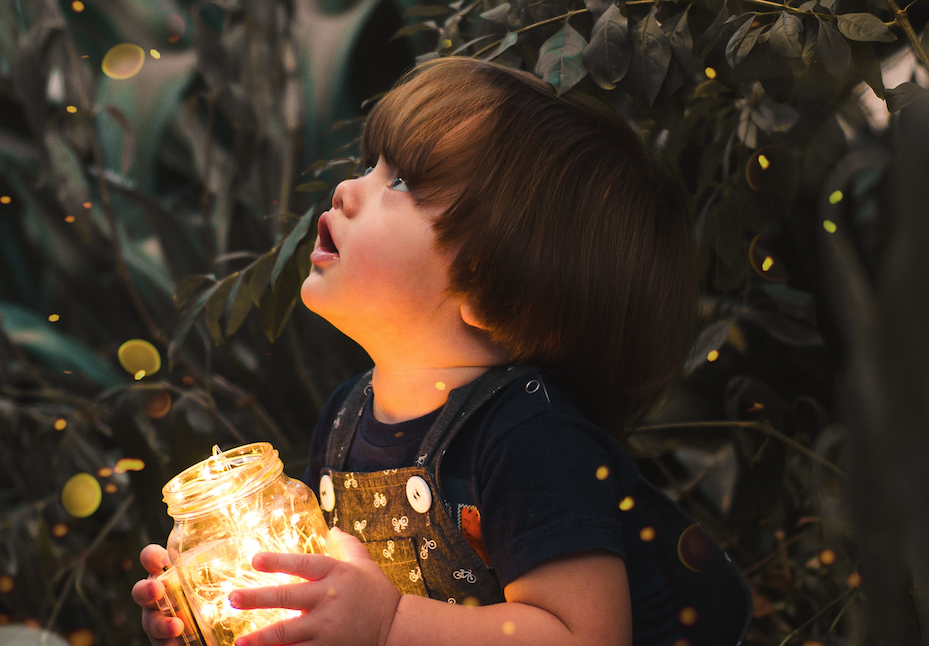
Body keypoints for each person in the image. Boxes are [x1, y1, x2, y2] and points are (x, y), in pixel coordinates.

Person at [132, 56, 699, 646]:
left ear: (491, 292)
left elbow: (585, 637)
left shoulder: (533, 438)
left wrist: (389, 624)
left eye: (399, 182)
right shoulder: (346, 418)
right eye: (371, 168)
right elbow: (321, 590)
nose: (349, 190)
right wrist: (225, 600)